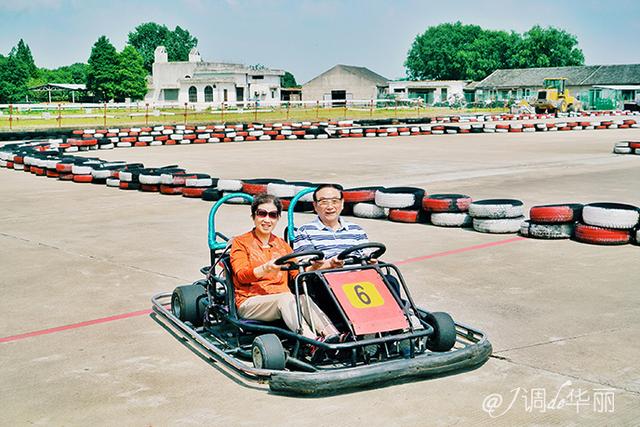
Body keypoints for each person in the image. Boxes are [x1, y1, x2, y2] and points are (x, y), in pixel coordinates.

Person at [230, 193, 338, 341]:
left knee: (302, 298)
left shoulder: (282, 245)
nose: (267, 220)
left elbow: (297, 274)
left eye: (272, 215)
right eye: (262, 214)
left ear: (278, 218)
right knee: (286, 298)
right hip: (251, 301)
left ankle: (333, 335)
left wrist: (325, 265)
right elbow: (241, 275)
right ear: (253, 216)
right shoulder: (241, 242)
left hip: (282, 298)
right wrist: (265, 269)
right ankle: (310, 340)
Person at [292, 183, 369, 270]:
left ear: (342, 203)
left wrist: (372, 261)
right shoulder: (305, 231)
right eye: (324, 202)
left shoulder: (356, 229)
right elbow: (306, 269)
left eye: (334, 201)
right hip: (325, 279)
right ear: (315, 206)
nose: (330, 207)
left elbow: (367, 256)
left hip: (360, 277)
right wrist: (330, 265)